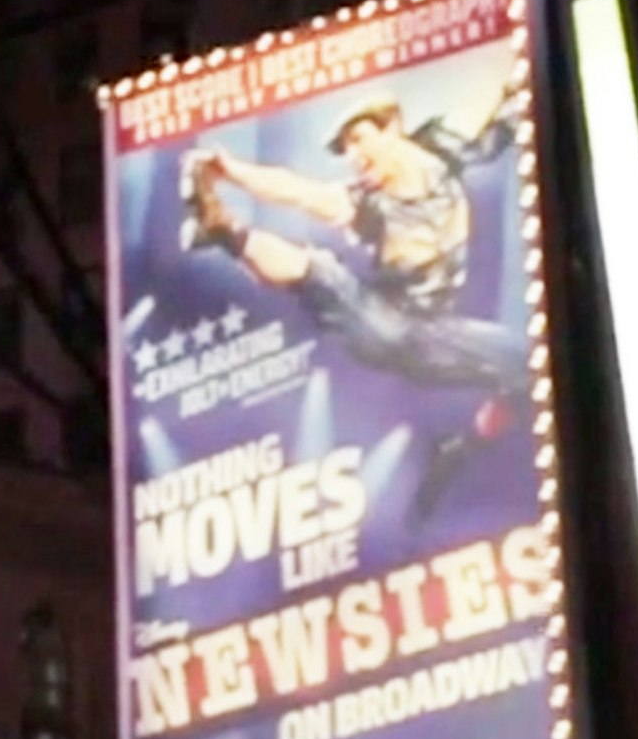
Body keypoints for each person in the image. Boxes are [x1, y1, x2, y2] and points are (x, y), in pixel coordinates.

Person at [180, 89, 527, 527]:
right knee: (320, 271)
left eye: (361, 140)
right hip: (383, 324)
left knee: (525, 364)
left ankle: (459, 449)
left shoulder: (442, 146)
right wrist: (230, 171)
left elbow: (495, 98)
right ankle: (224, 231)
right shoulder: (366, 204)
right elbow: (297, 191)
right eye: (347, 151)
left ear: (394, 128)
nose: (355, 156)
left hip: (440, 333)